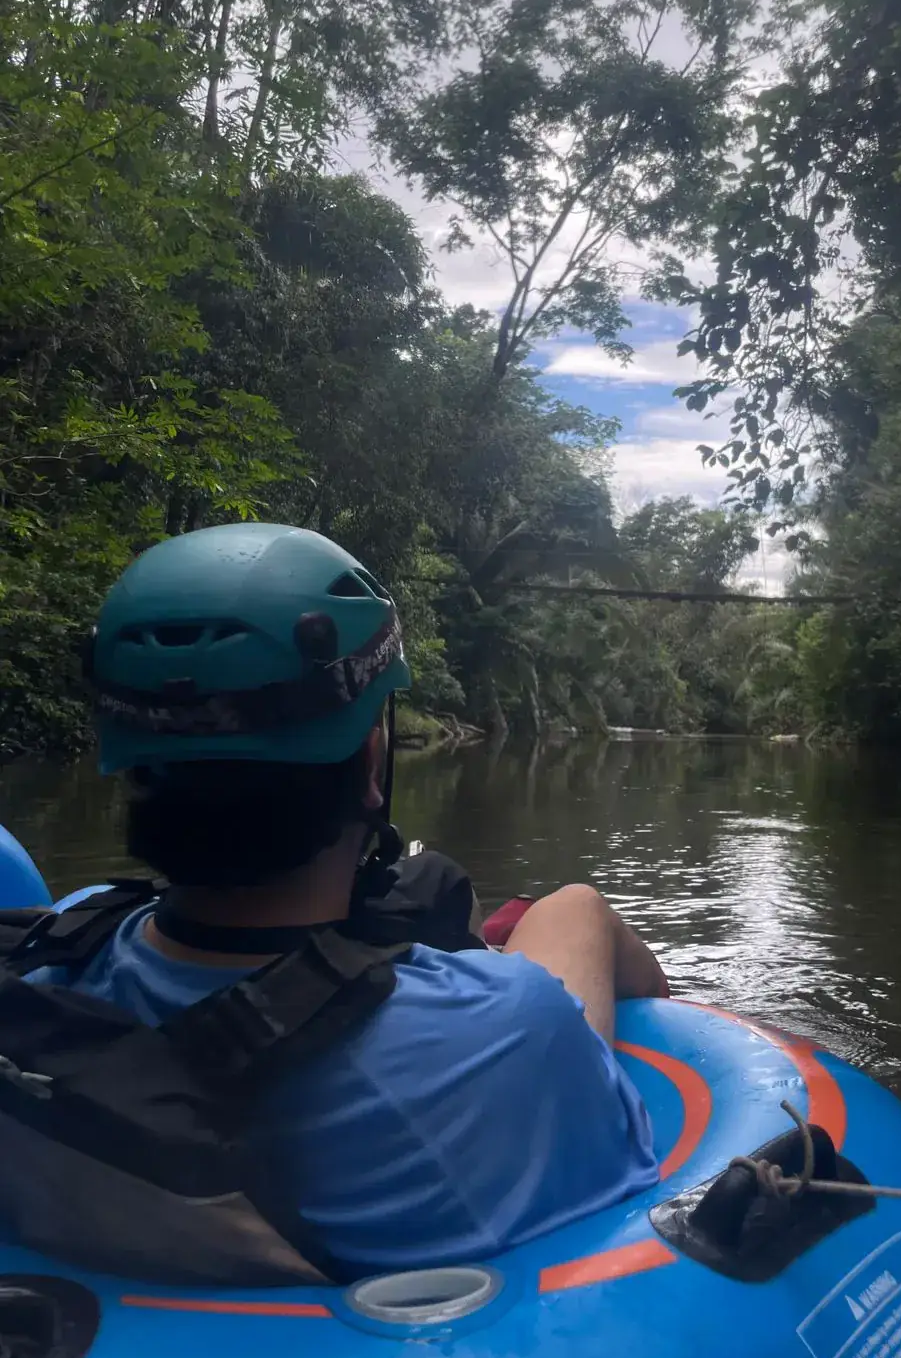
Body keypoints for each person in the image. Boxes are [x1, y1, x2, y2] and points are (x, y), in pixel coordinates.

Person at [12, 522, 665, 1280]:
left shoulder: (59, 952)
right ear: (371, 764)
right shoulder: (498, 1040)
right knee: (575, 908)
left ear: (127, 761)